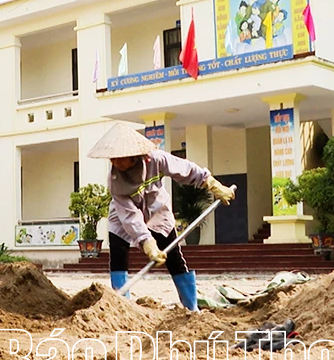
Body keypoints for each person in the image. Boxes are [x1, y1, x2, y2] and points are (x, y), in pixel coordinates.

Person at [87, 122, 235, 311]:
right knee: (118, 253)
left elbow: (186, 170)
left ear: (134, 155)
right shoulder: (115, 181)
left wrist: (213, 185)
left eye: (120, 159)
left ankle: (191, 307)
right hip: (123, 217)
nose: (115, 163)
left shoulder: (156, 159)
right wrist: (147, 242)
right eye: (112, 159)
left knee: (173, 255)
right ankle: (122, 307)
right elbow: (130, 217)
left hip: (157, 211)